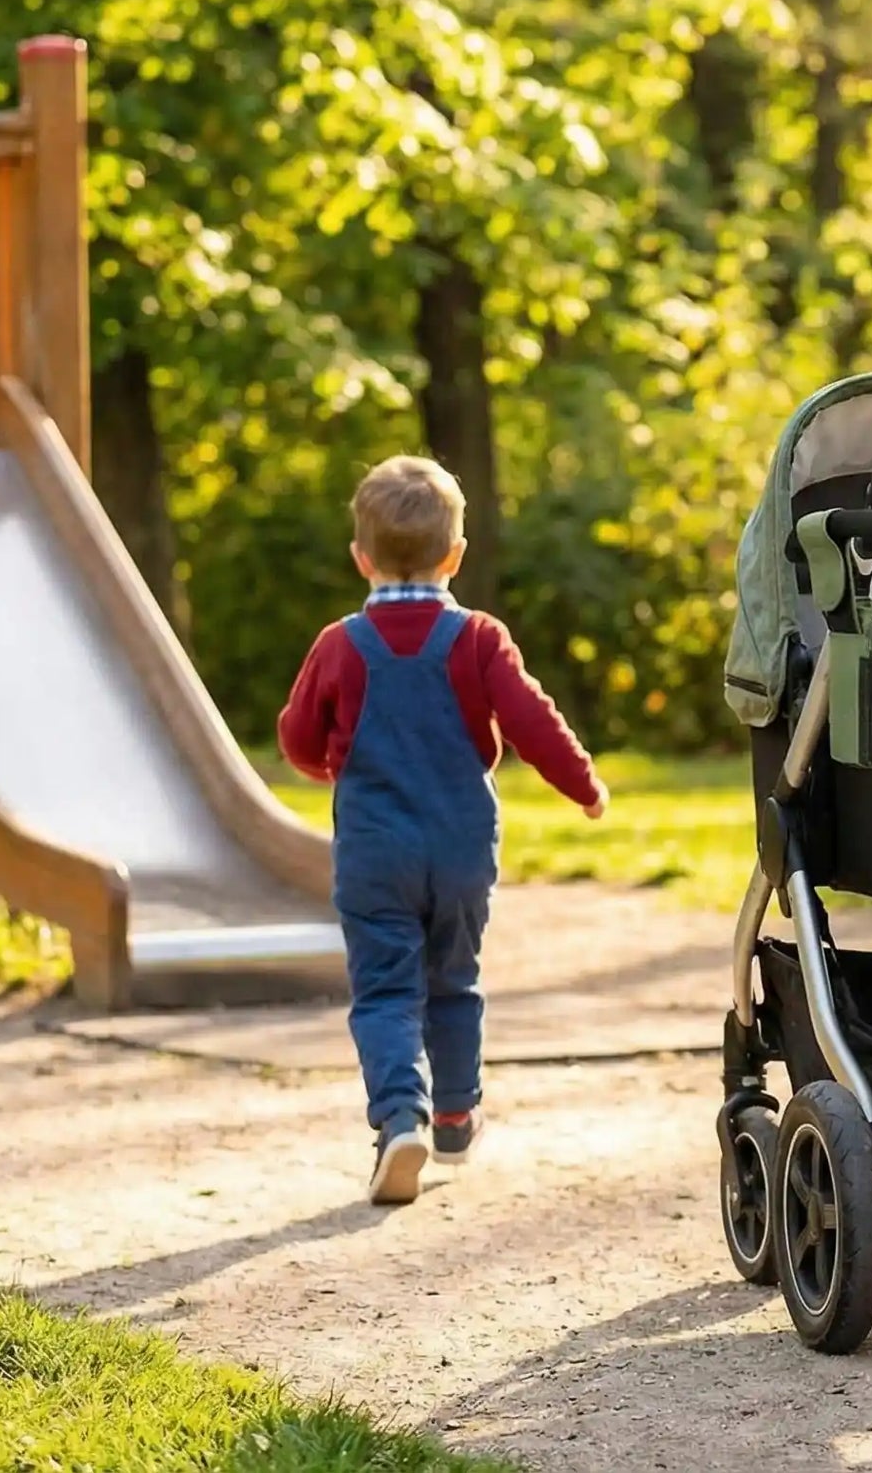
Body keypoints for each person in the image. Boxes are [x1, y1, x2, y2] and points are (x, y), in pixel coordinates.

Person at [279, 455, 606, 1203]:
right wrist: (583, 786)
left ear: (361, 558)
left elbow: (298, 738)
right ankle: (457, 1113)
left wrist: (326, 765)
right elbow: (532, 722)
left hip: (374, 853)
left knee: (385, 991)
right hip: (461, 848)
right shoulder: (478, 639)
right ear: (455, 555)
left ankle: (402, 1117)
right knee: (454, 978)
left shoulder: (340, 644)